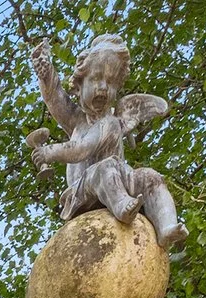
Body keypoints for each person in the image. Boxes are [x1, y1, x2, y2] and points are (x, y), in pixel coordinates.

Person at [26, 35, 185, 255]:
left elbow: (82, 149)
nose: (103, 88)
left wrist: (49, 152)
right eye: (96, 79)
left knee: (151, 177)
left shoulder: (110, 123)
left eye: (110, 83)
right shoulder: (76, 119)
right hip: (84, 190)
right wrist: (45, 72)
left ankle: (166, 226)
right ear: (79, 86)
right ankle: (121, 206)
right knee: (105, 167)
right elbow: (55, 98)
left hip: (120, 178)